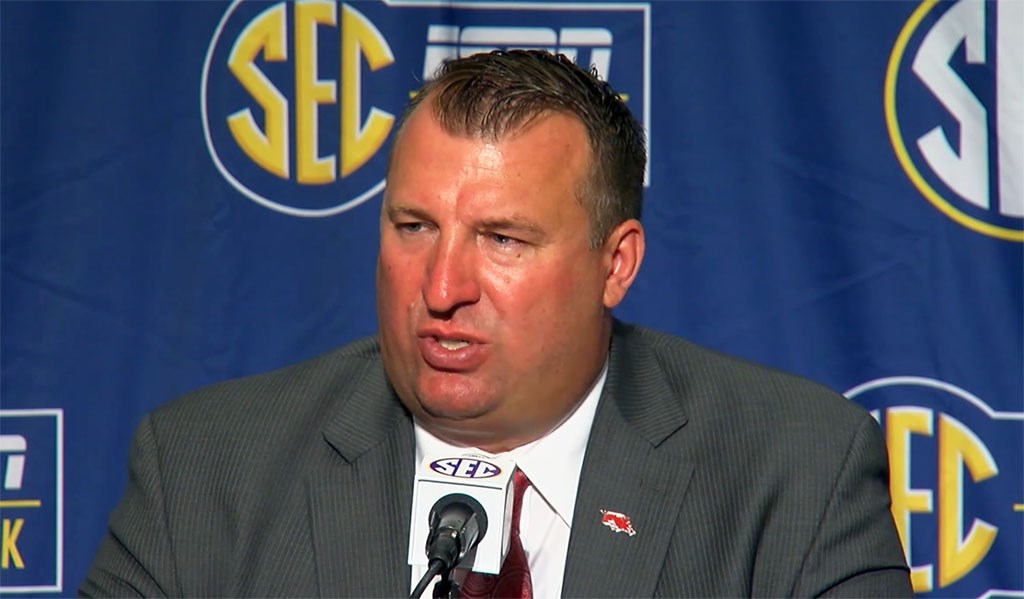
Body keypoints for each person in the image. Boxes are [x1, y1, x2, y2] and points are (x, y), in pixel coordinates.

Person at [81, 50, 911, 597]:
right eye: (413, 228)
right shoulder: (202, 472)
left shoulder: (794, 471)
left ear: (614, 264)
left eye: (503, 239)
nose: (441, 287)